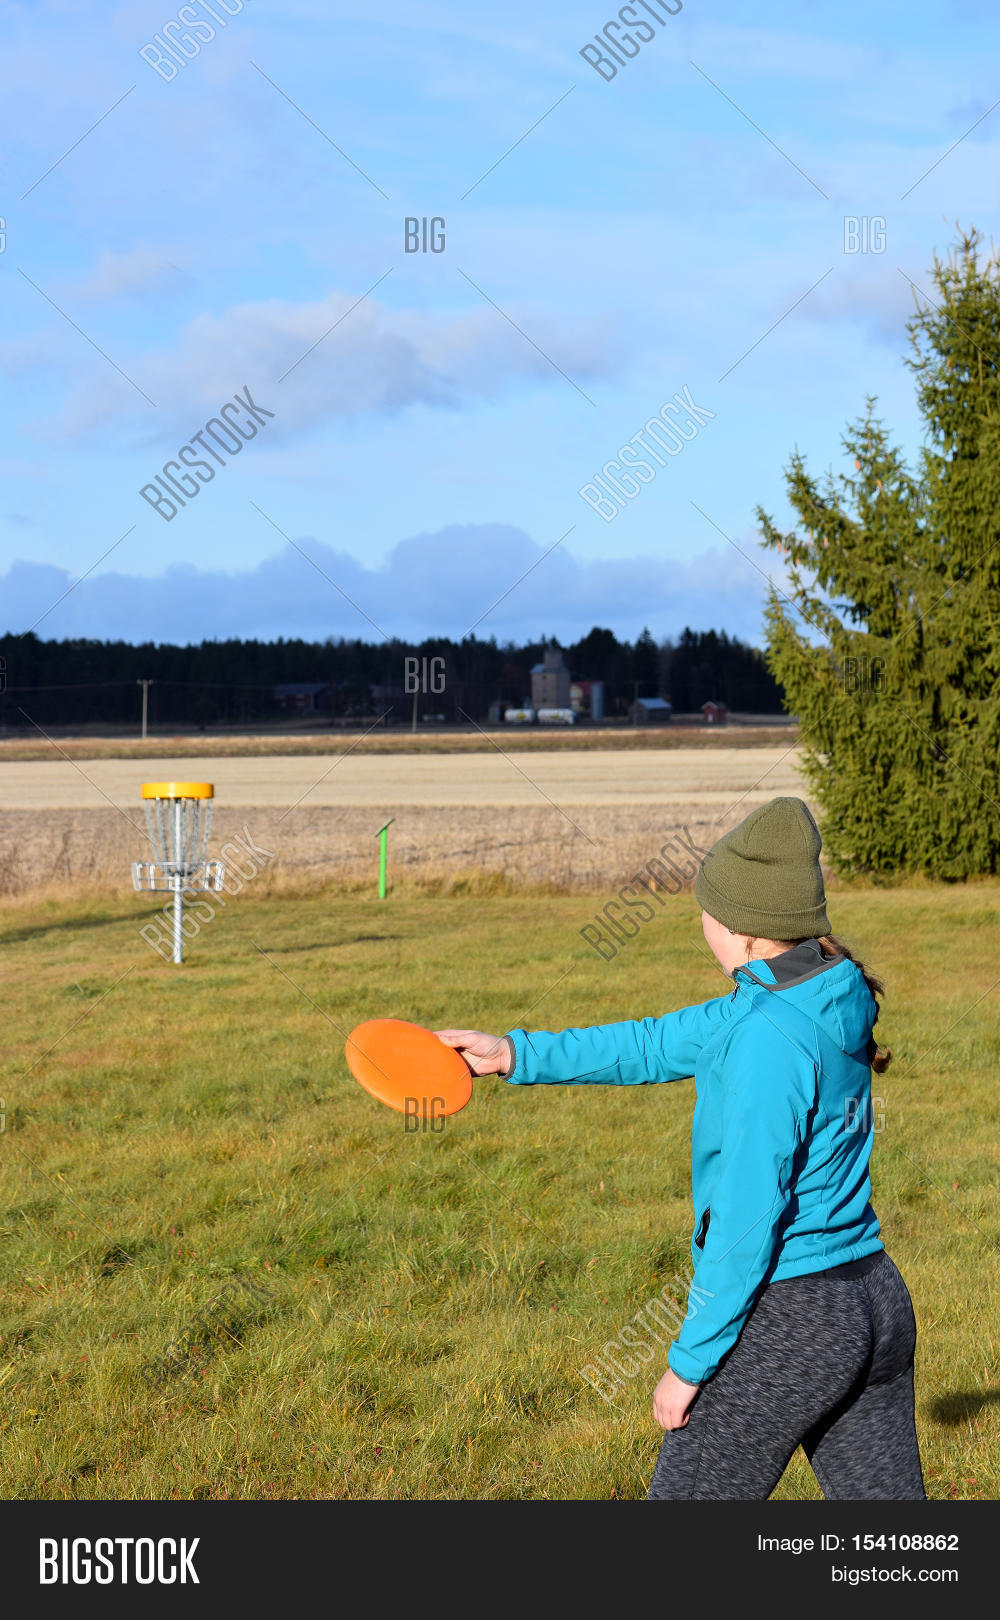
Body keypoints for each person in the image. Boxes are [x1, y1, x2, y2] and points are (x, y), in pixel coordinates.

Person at [437, 796, 925, 1500]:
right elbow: (648, 1043)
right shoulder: (820, 991)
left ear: (741, 927)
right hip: (874, 1299)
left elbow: (750, 1214)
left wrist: (691, 1363)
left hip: (793, 1315)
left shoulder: (765, 1036)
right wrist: (512, 1053)